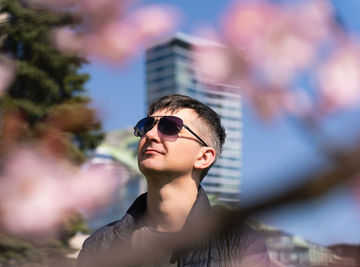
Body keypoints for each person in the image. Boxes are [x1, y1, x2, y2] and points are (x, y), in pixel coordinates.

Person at [77, 94, 270, 267]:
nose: (150, 135)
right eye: (146, 126)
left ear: (203, 157)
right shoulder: (99, 246)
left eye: (169, 127)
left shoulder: (239, 243)